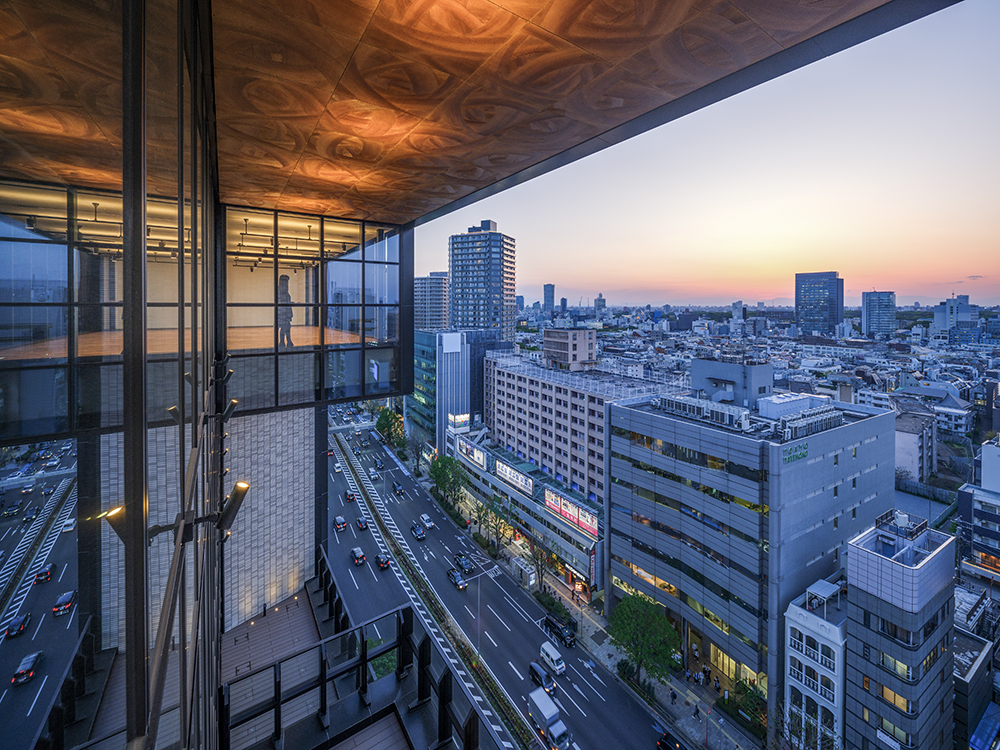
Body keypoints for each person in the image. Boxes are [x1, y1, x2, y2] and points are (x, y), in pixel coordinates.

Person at [278, 274, 294, 348]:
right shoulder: (281, 293)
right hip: (283, 314)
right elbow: (283, 303)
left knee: (286, 328)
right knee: (285, 328)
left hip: (285, 313)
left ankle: (286, 342)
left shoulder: (284, 293)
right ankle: (284, 342)